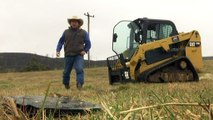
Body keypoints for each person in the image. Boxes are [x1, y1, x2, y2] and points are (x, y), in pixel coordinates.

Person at [56, 16, 91, 90]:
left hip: (78, 55)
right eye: (72, 22)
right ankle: (66, 85)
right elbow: (61, 41)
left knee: (79, 69)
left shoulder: (84, 33)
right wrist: (58, 50)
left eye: (75, 22)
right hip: (68, 55)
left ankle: (79, 84)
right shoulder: (66, 32)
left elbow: (88, 43)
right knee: (66, 72)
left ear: (78, 23)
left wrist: (85, 50)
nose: (74, 23)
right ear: (70, 23)